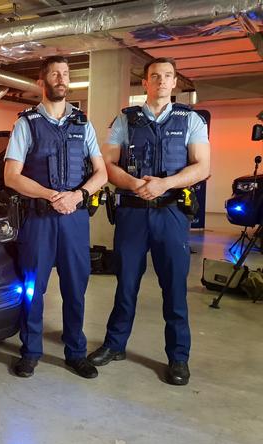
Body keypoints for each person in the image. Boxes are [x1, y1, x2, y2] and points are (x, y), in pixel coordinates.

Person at [87, 57, 210, 386]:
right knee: (125, 283)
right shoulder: (126, 120)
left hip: (170, 213)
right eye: (154, 76)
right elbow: (107, 164)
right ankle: (115, 345)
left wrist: (164, 184)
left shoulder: (191, 120)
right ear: (145, 83)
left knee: (174, 289)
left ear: (175, 82)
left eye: (167, 76)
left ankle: (178, 357)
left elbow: (202, 166)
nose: (161, 81)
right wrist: (134, 185)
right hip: (132, 213)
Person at [3, 56, 108, 379]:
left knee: (76, 288)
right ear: (42, 81)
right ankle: (31, 351)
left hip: (74, 219)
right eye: (54, 74)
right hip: (39, 220)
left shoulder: (83, 124)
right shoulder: (27, 123)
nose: (61, 79)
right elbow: (11, 176)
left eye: (65, 74)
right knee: (33, 288)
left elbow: (102, 172)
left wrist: (78, 195)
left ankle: (76, 352)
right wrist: (51, 195)